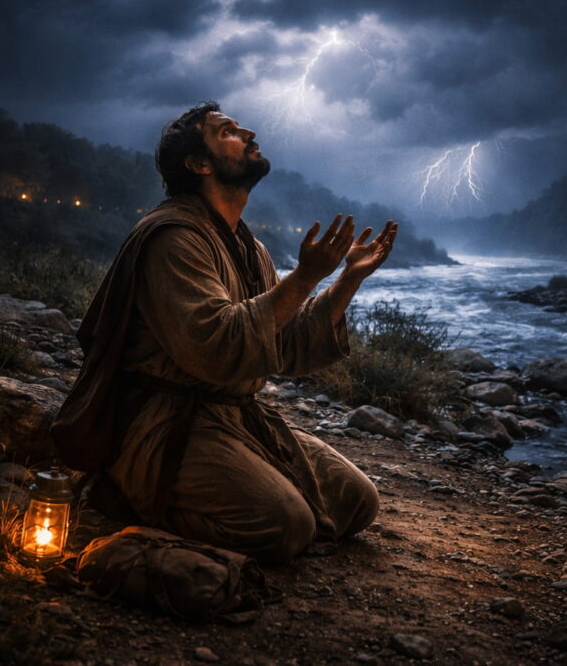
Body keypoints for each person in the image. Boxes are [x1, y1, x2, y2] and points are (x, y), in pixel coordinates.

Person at [51, 101, 398, 564]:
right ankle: (124, 494)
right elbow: (215, 347)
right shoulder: (173, 237)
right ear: (199, 163)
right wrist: (304, 278)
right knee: (286, 526)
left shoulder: (249, 247)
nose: (249, 132)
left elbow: (286, 345)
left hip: (235, 417)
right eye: (228, 131)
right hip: (163, 422)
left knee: (358, 502)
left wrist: (347, 278)